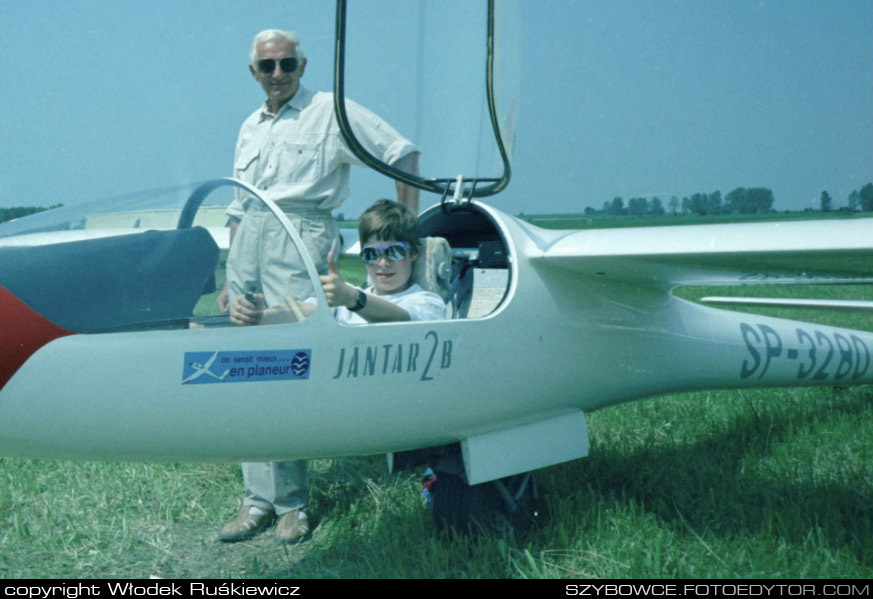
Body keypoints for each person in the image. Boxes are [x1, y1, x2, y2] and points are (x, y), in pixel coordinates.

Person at [218, 29, 421, 544]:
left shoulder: (331, 111)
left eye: (288, 64)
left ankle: (291, 505)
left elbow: (402, 153)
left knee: (284, 366)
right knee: (243, 373)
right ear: (254, 73)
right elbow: (240, 204)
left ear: (303, 66)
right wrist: (231, 274)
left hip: (299, 235)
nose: (279, 74)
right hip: (249, 242)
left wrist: (408, 232)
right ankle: (255, 501)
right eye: (269, 67)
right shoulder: (249, 126)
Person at [226, 200, 447, 542]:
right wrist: (259, 316)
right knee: (261, 385)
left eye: (395, 252)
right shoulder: (351, 299)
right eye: (372, 255)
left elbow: (401, 321)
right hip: (347, 400)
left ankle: (290, 507)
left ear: (415, 254)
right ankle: (260, 503)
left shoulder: (424, 301)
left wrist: (351, 298)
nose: (383, 263)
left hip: (391, 408)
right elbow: (304, 310)